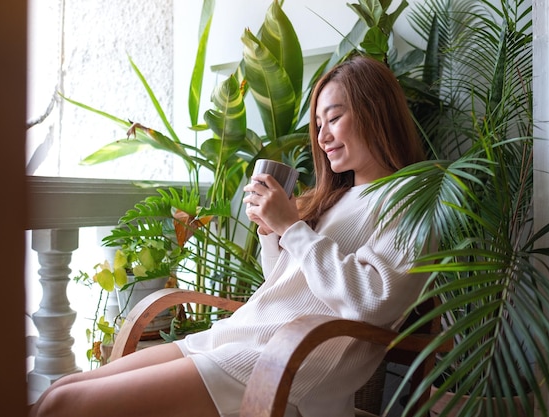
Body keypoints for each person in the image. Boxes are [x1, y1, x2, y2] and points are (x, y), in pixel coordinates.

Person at [30, 54, 428, 417]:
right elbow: (284, 287)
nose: (322, 139)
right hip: (239, 339)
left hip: (283, 365)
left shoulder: (412, 200)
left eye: (335, 118)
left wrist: (292, 227)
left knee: (66, 405)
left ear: (375, 111)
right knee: (58, 392)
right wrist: (274, 233)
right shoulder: (338, 197)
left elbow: (373, 300)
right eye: (319, 125)